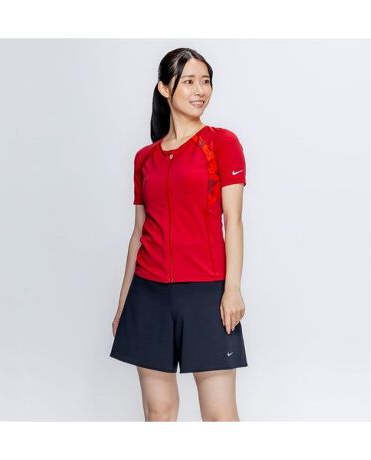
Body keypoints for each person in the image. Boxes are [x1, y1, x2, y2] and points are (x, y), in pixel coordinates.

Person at [109, 47, 248, 422]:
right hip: (148, 295)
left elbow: (233, 221)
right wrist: (124, 303)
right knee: (159, 413)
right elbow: (139, 233)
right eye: (189, 81)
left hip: (205, 293)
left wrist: (232, 289)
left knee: (219, 416)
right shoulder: (145, 158)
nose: (200, 90)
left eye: (206, 81)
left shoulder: (222, 143)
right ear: (165, 88)